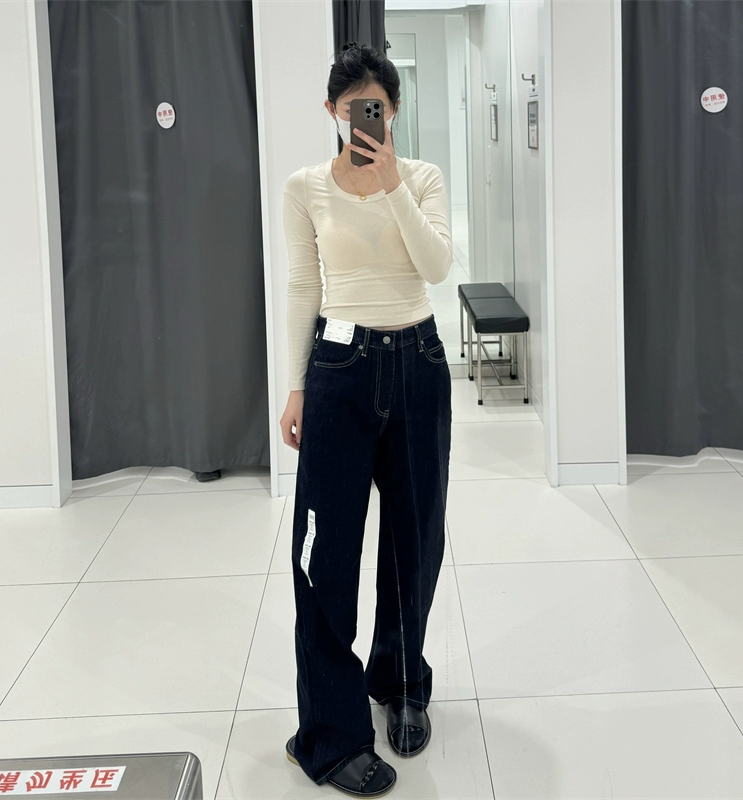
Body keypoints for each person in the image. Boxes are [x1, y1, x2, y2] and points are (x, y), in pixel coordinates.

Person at [279, 41, 454, 798]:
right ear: (332, 112)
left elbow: (436, 267)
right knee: (328, 551)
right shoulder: (304, 187)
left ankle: (402, 683)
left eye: (378, 108)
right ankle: (330, 732)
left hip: (418, 364)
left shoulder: (422, 178)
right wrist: (294, 388)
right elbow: (302, 286)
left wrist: (391, 188)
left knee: (415, 538)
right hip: (338, 370)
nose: (366, 121)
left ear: (396, 110)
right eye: (354, 110)